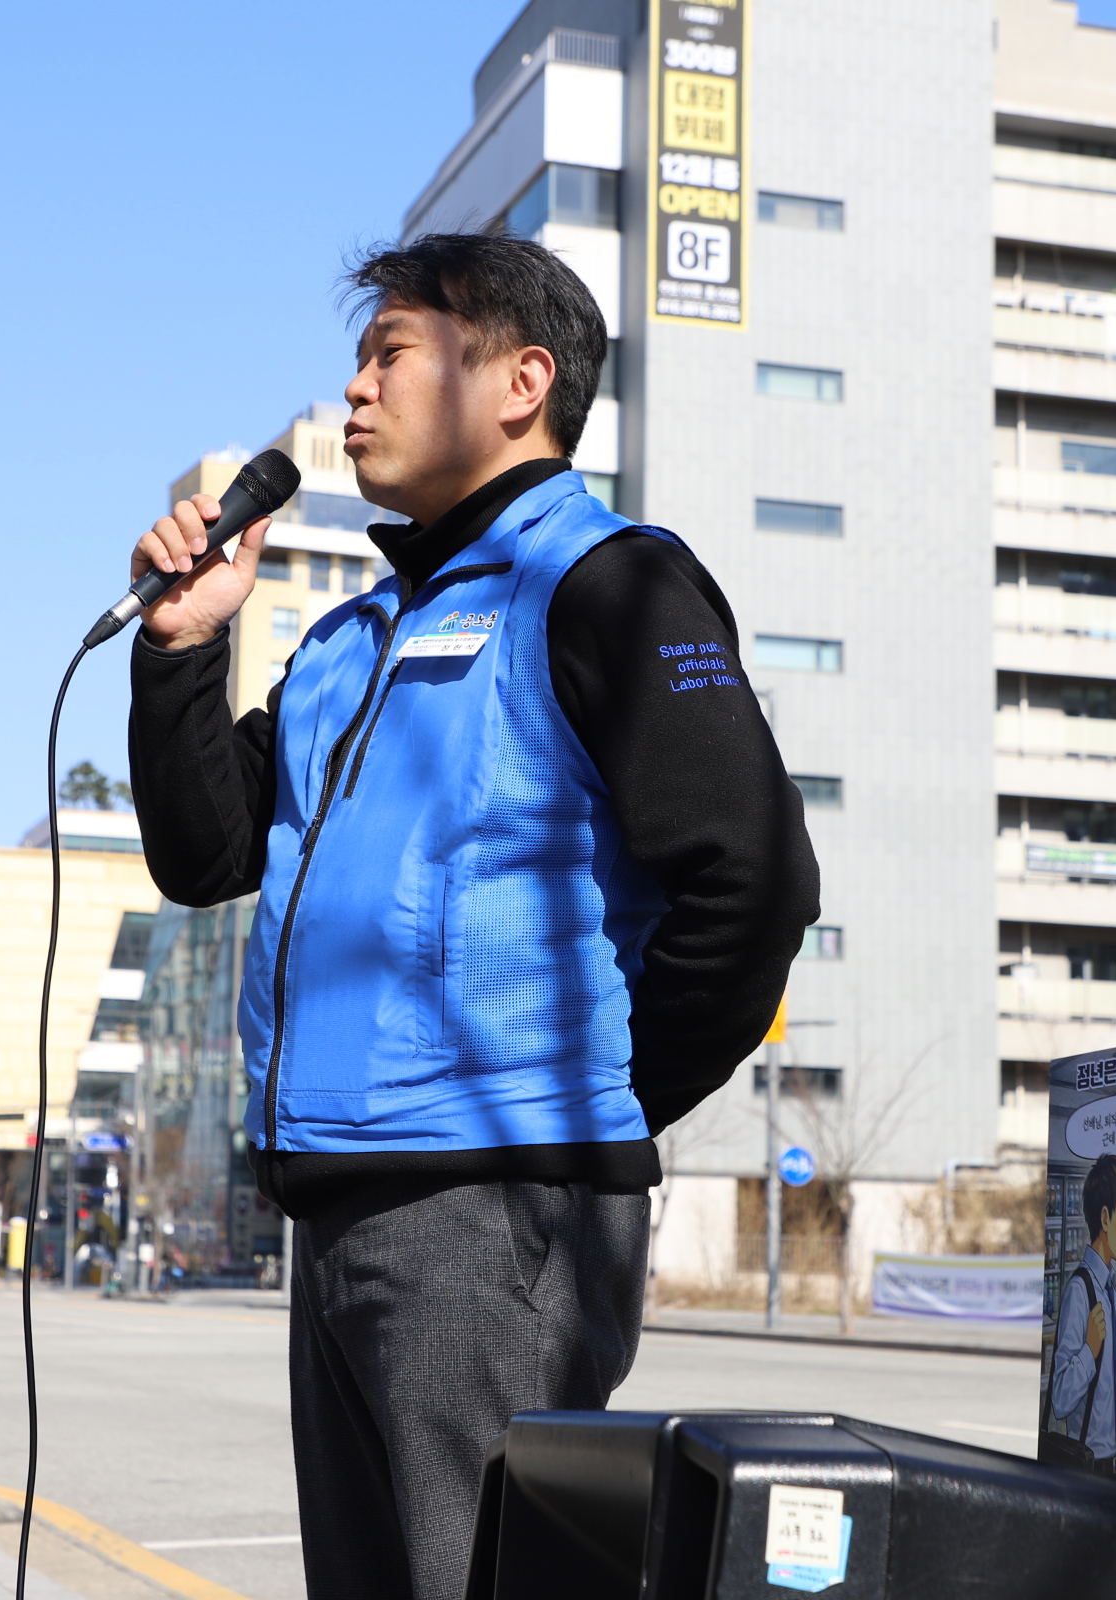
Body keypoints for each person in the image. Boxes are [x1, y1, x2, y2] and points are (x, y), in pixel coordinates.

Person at [126, 232, 818, 1598]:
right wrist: (184, 647)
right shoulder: (347, 645)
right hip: (333, 1202)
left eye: (389, 354)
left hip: (496, 1202)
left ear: (520, 382)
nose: (355, 392)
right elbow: (204, 855)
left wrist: (587, 1111)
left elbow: (753, 882)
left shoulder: (609, 586)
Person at [1049, 1155, 1116, 1475]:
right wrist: (1089, 1350)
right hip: (1089, 1468)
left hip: (1115, 1464)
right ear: (1105, 1218)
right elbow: (1059, 1400)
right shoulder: (1079, 1292)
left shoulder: (1110, 1289)